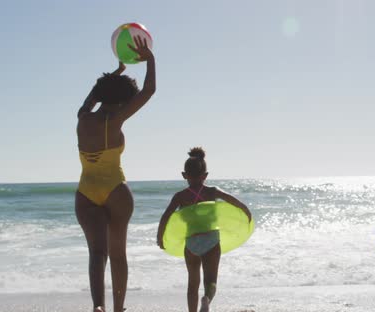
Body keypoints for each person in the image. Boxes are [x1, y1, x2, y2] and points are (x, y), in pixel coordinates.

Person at [76, 36, 155, 312]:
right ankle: (119, 308)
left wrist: (114, 75)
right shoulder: (116, 120)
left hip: (85, 192)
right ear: (123, 101)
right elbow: (149, 90)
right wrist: (150, 59)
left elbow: (93, 96)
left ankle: (98, 307)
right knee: (118, 255)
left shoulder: (83, 117)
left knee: (97, 253)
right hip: (115, 191)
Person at [157, 147, 252, 312]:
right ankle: (207, 299)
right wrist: (247, 212)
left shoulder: (180, 196)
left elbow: (166, 217)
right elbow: (234, 201)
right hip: (211, 240)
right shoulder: (212, 191)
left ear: (184, 175)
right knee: (211, 281)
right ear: (205, 175)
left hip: (192, 242)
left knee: (192, 283)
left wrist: (160, 238)